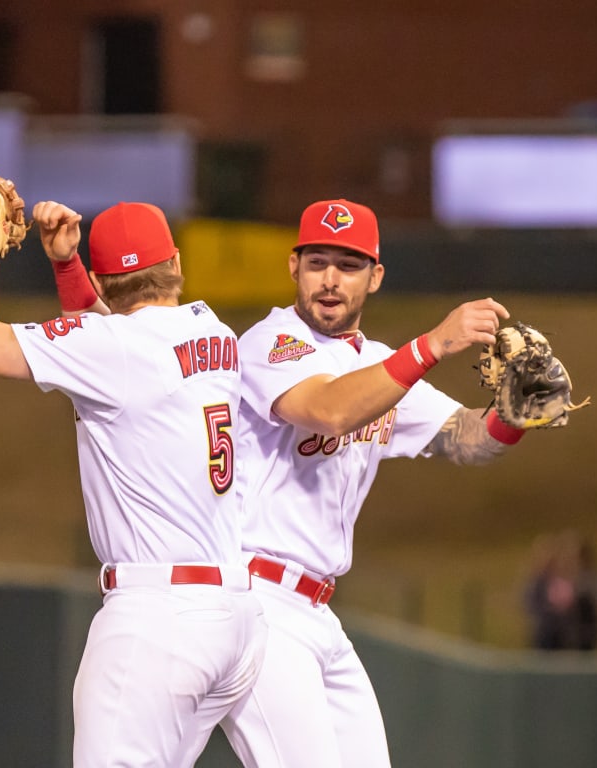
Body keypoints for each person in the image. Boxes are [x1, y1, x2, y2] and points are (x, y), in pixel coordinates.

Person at [199, 198, 541, 768]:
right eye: (318, 262)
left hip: (316, 613)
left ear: (375, 276)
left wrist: (518, 410)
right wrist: (432, 346)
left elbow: (468, 440)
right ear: (294, 267)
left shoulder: (379, 366)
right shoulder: (271, 343)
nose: (330, 280)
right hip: (257, 602)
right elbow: (329, 410)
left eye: (349, 265)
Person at [0, 187, 266, 767]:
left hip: (158, 620)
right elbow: (108, 346)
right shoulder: (214, 333)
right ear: (178, 265)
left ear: (102, 276)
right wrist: (65, 264)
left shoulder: (113, 348)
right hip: (233, 619)